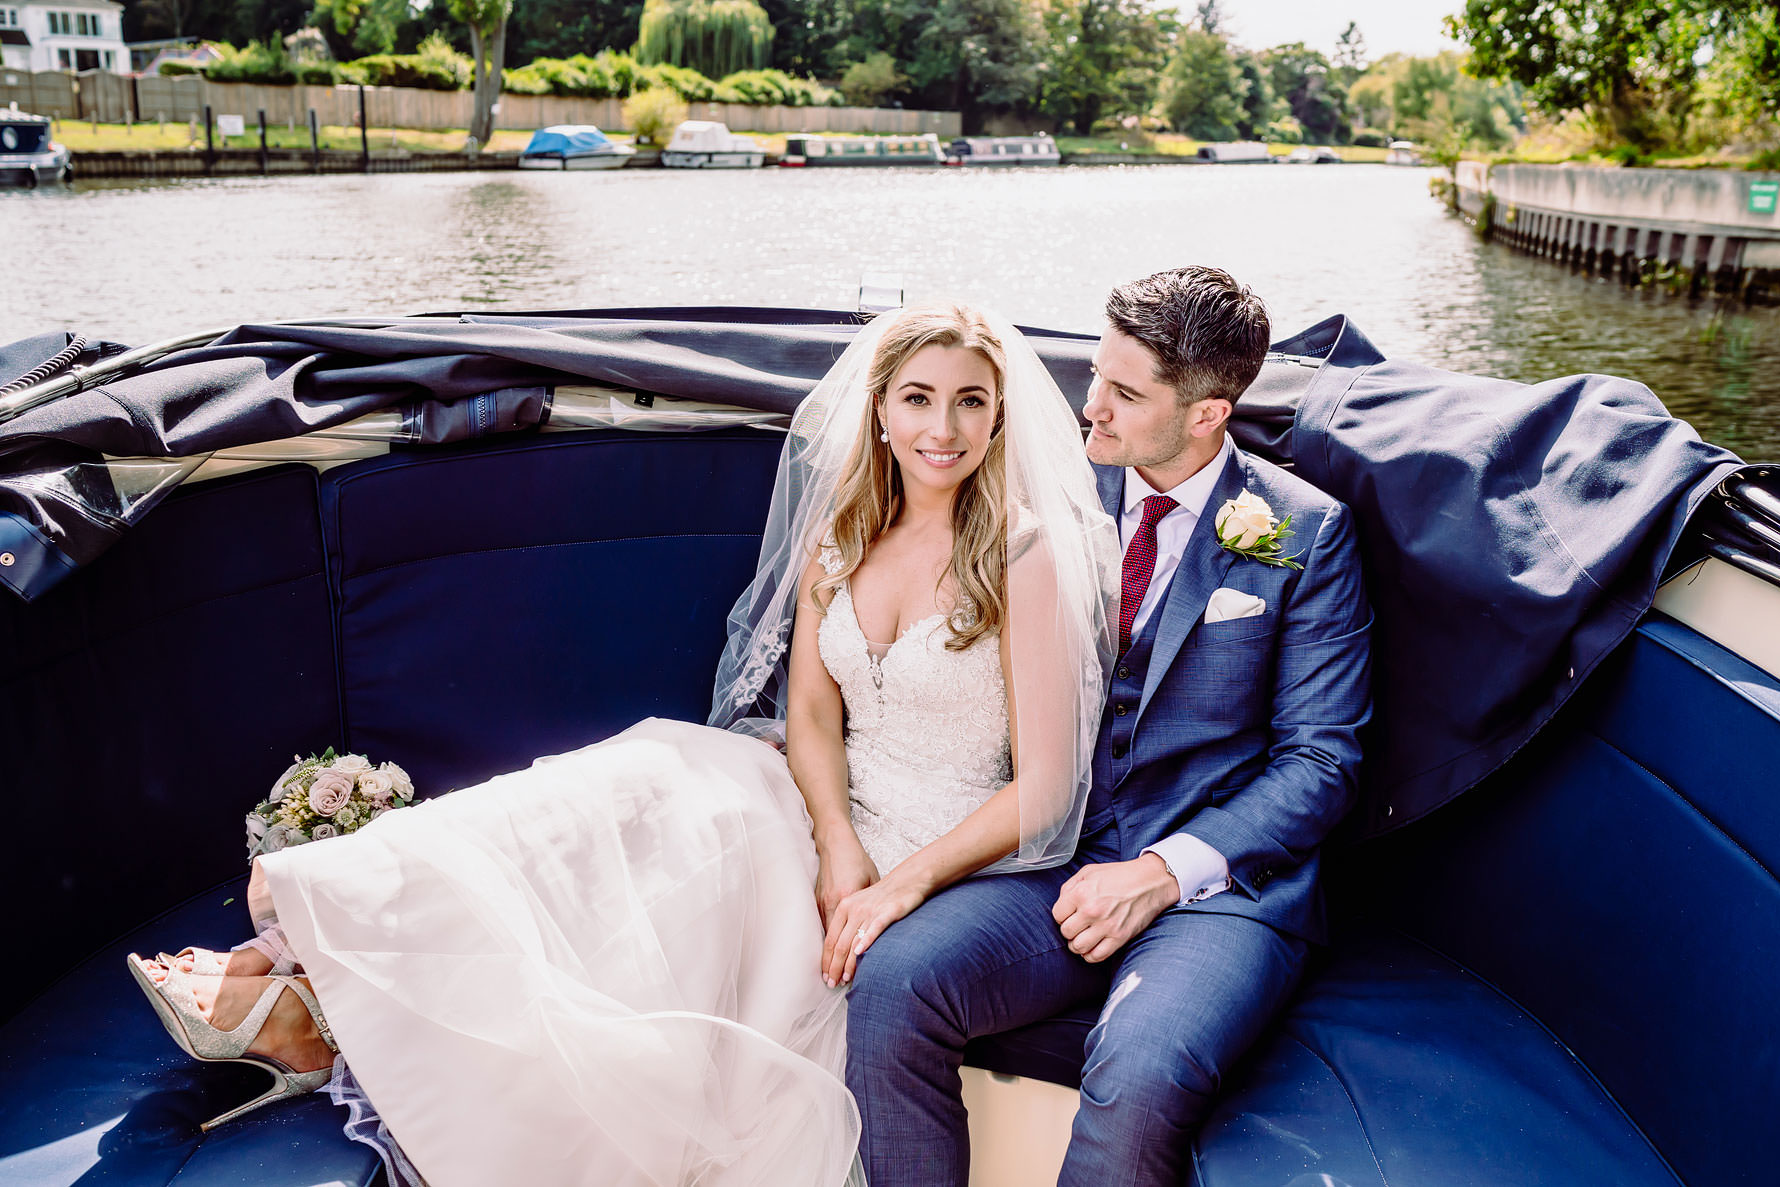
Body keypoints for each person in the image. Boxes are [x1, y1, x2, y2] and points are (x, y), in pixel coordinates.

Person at [124, 302, 1119, 1187]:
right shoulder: (845, 535)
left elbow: (1046, 785)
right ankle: (317, 941)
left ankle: (303, 1006)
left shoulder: (1022, 554)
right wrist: (835, 836)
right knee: (637, 782)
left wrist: (889, 882)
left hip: (943, 847)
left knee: (702, 860)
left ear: (998, 417)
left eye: (968, 403)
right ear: (881, 410)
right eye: (917, 398)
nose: (940, 429)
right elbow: (811, 717)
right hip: (829, 806)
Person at [846, 266, 1373, 1186]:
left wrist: (1164, 872)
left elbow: (1321, 762)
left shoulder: (1301, 534)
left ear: (1209, 412)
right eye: (1097, 376)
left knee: (1136, 1073)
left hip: (1220, 895)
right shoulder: (1048, 488)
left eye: (1126, 395)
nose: (1092, 409)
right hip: (1054, 859)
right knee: (891, 984)